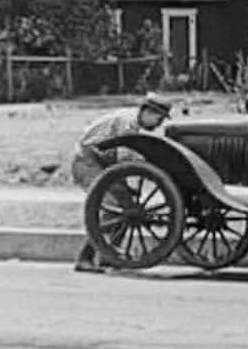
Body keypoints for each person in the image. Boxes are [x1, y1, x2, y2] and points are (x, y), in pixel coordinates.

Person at [72, 92, 173, 273]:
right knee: (111, 207)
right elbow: (123, 160)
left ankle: (108, 256)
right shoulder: (126, 123)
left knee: (126, 204)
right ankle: (85, 258)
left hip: (102, 162)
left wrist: (127, 190)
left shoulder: (131, 123)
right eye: (159, 118)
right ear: (147, 111)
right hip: (87, 162)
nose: (159, 123)